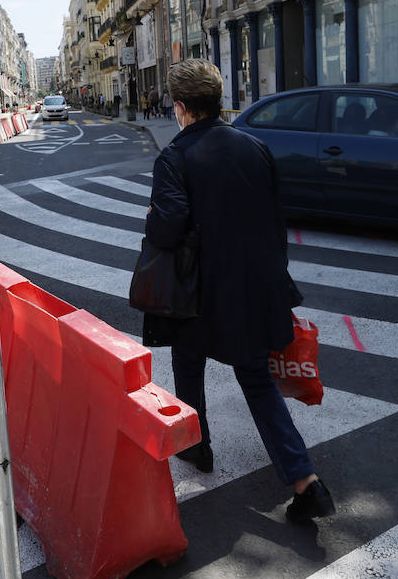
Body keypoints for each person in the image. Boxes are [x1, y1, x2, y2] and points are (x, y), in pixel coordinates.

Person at [141, 59, 335, 523]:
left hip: (197, 293)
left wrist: (154, 221)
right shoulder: (255, 147)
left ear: (181, 108)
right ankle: (305, 480)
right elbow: (275, 222)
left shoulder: (175, 157)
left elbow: (167, 230)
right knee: (256, 379)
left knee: (188, 366)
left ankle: (197, 448)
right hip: (252, 287)